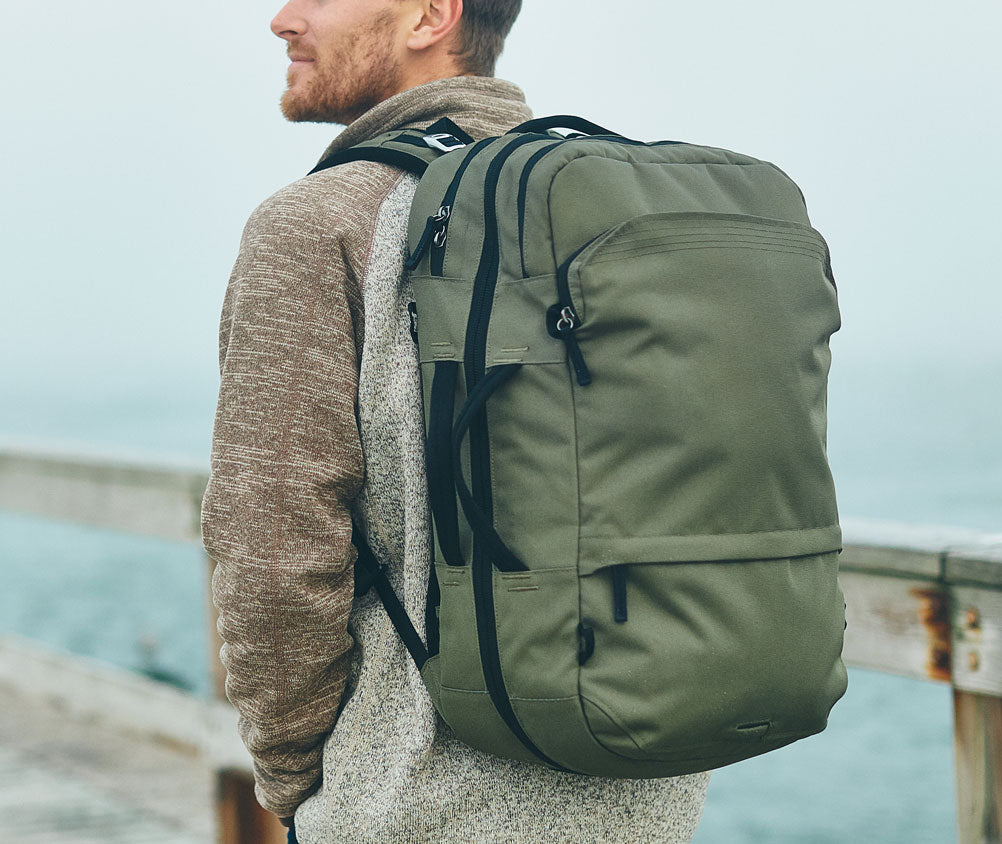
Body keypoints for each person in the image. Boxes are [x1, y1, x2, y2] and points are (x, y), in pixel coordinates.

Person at [201, 1, 711, 840]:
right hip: (644, 793)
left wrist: (299, 783)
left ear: (431, 14)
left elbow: (270, 547)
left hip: (412, 801)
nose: (282, 19)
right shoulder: (614, 210)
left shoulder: (316, 223)